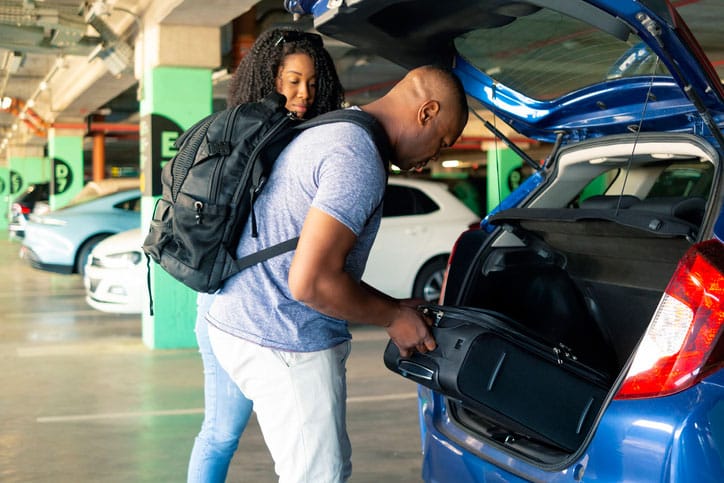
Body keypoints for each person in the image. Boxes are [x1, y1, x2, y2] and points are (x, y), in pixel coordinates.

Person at [206, 65, 469, 482]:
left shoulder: (336, 128)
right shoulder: (357, 154)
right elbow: (310, 282)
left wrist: (393, 305)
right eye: (442, 141)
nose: (433, 156)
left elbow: (313, 257)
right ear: (427, 111)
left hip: (244, 317)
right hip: (283, 337)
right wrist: (392, 317)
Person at [187, 26, 345, 483]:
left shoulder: (278, 135)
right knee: (220, 433)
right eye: (293, 81)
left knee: (220, 433)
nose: (304, 94)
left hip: (244, 307)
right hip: (231, 306)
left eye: (313, 84)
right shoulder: (258, 141)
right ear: (270, 78)